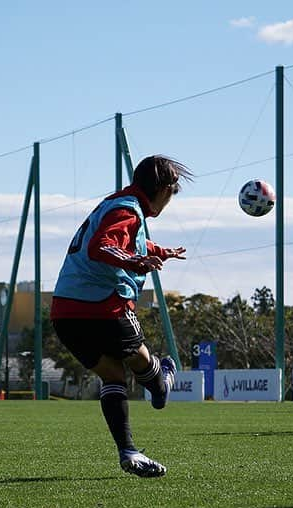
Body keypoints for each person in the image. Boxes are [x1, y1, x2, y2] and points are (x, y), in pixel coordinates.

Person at [50, 155, 190, 477]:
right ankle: (160, 381)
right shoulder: (128, 210)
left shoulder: (116, 204)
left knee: (113, 376)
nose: (171, 199)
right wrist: (135, 262)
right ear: (164, 188)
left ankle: (129, 452)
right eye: (173, 191)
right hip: (102, 306)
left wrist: (156, 251)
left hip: (65, 313)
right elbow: (102, 246)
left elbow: (125, 239)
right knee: (142, 362)